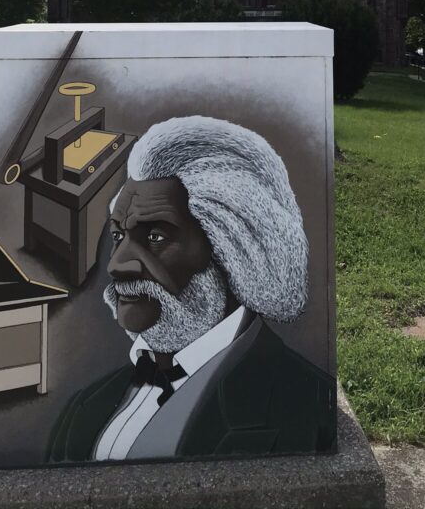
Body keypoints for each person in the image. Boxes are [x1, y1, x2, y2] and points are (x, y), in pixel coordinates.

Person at [47, 115, 335, 462]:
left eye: (155, 237)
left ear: (231, 249)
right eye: (118, 236)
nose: (117, 265)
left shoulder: (308, 402)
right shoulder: (86, 407)